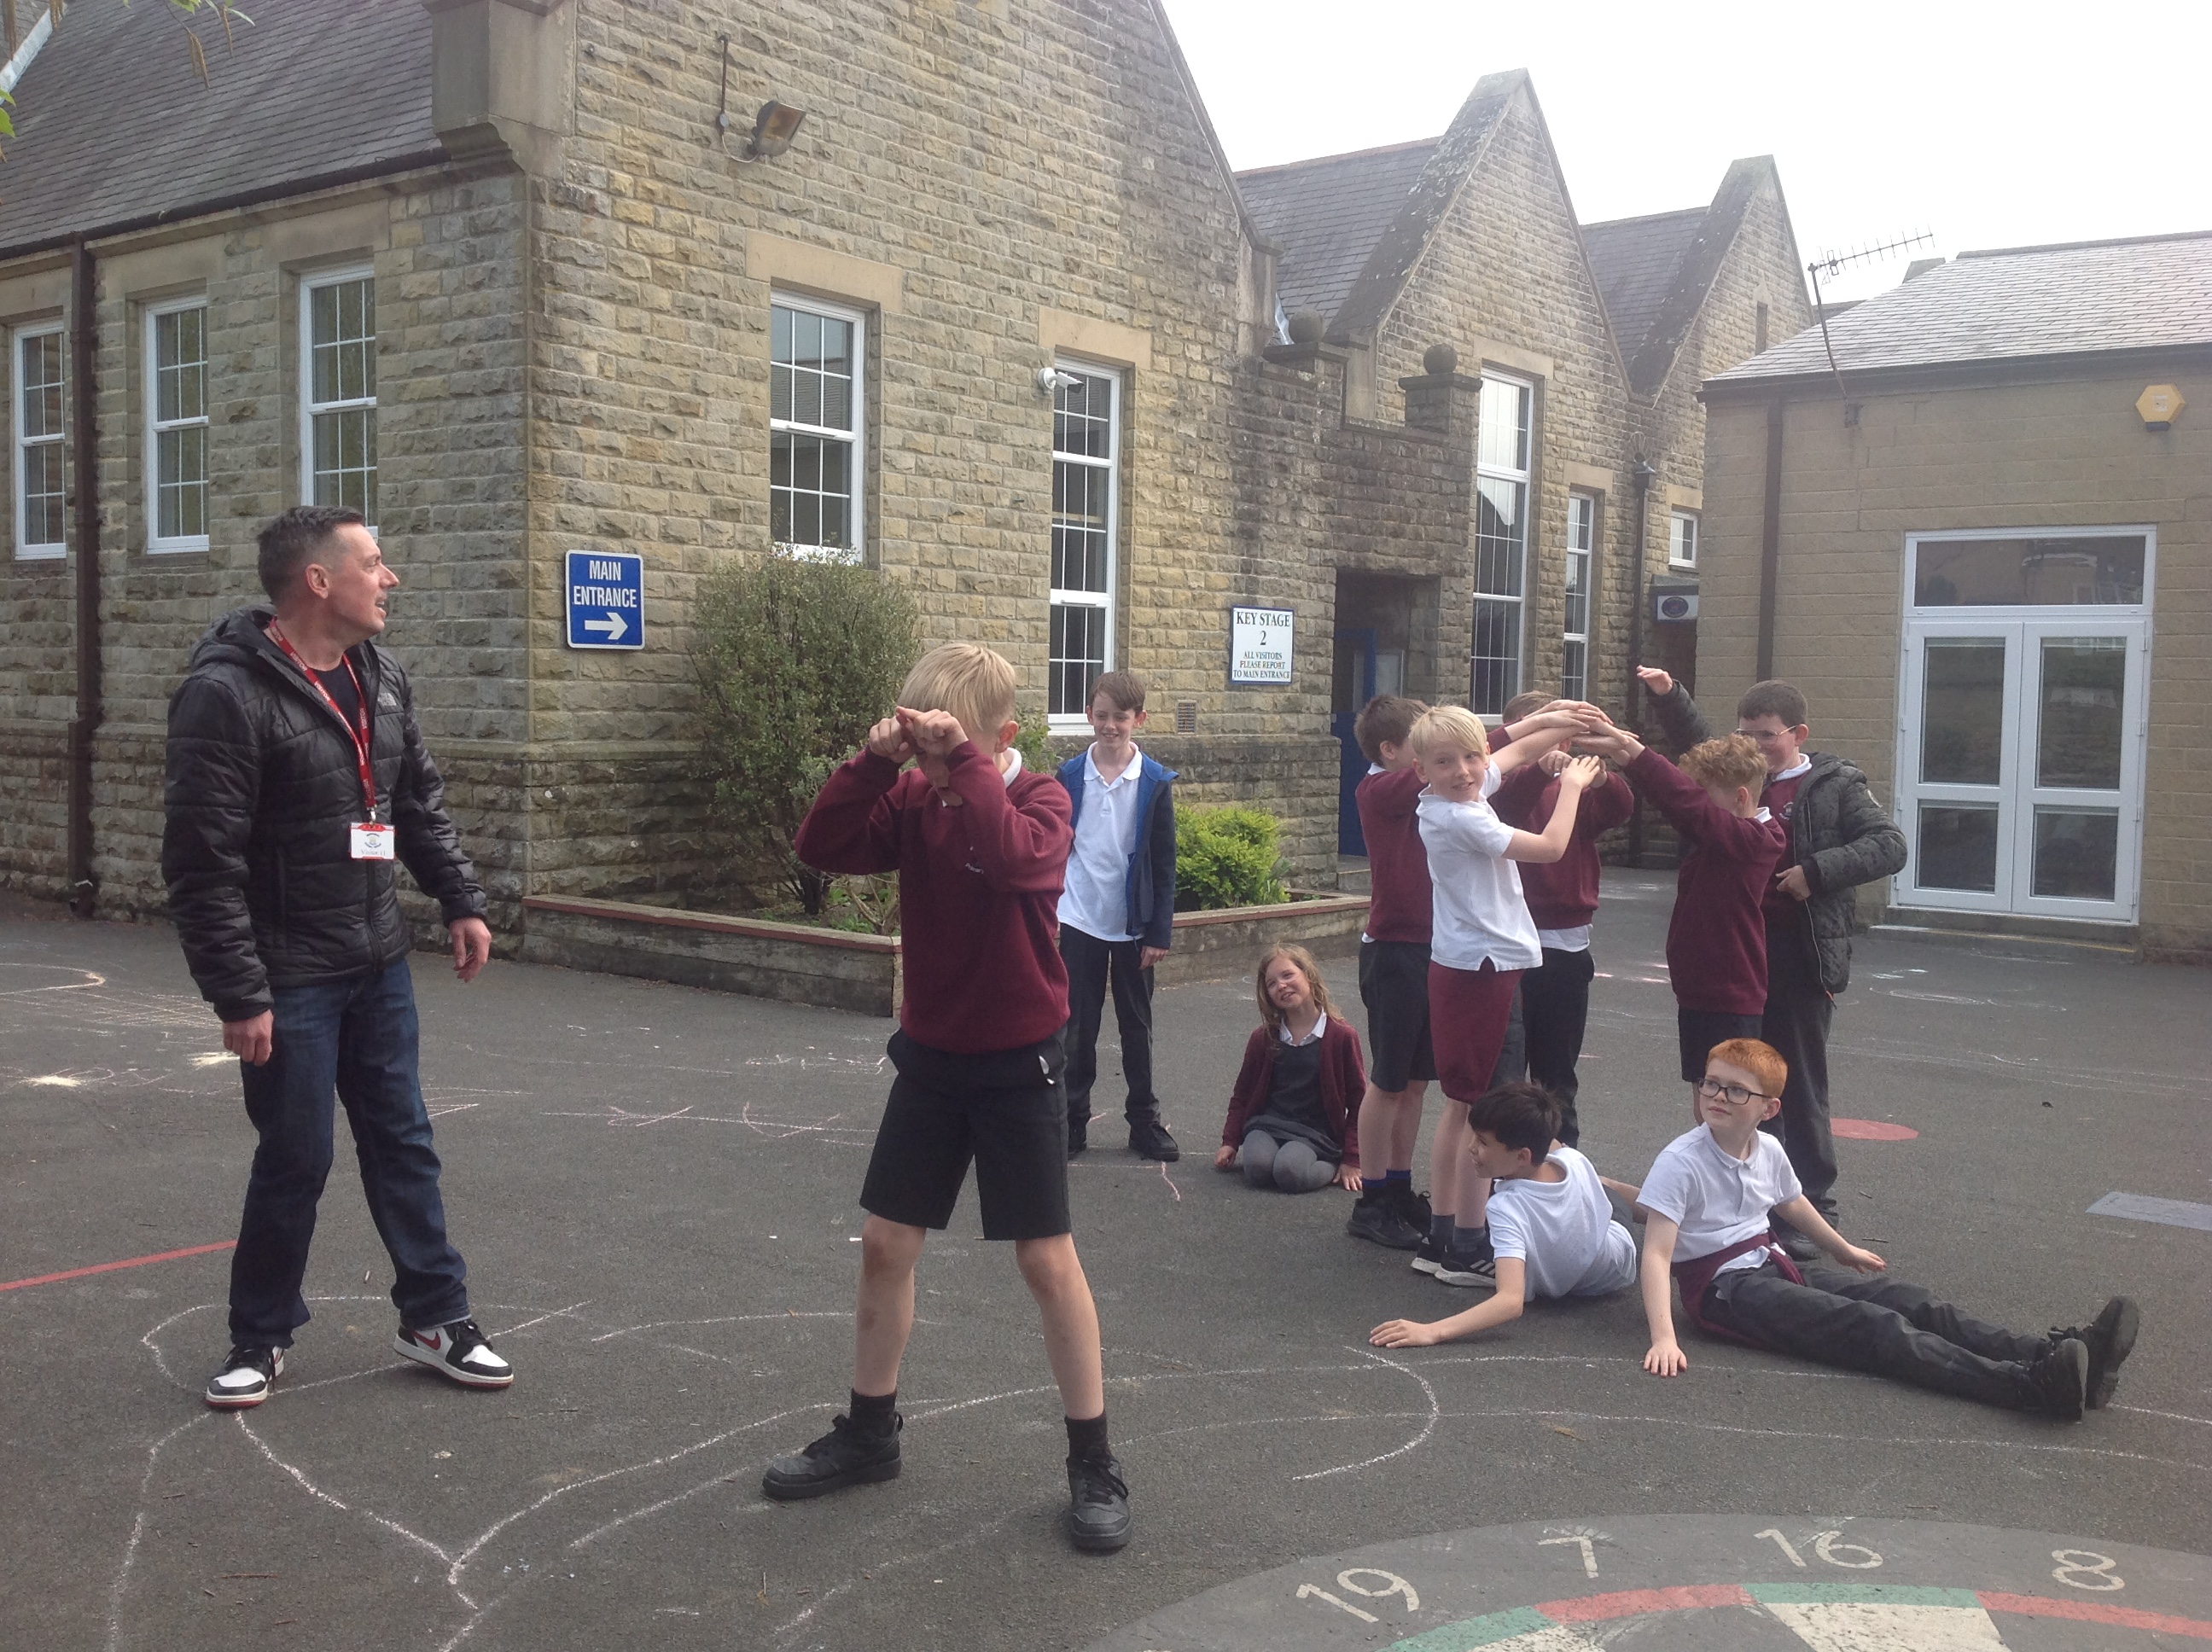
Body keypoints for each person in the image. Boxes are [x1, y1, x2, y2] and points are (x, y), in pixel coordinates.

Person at [765, 643, 1131, 1553]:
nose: (931, 767)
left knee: (1045, 1260)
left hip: (1019, 1060)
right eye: (926, 750)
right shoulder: (913, 798)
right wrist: (874, 763)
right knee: (886, 1243)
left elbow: (1013, 864)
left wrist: (963, 764)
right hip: (933, 1054)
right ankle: (870, 1432)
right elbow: (821, 847)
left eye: (950, 749)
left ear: (1002, 737)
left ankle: (1093, 1460)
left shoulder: (1042, 799)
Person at [162, 505, 511, 1410]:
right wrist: (240, 993)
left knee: (404, 1140)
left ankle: (436, 1317)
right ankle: (260, 1336)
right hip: (289, 975)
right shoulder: (226, 694)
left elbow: (415, 802)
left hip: (377, 960)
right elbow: (203, 864)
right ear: (319, 581)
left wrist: (460, 899)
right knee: (297, 1156)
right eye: (373, 562)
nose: (390, 578)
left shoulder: (380, 675)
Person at [1633, 1038, 2140, 1421]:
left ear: (1769, 1109)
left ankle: (2066, 1357)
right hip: (1725, 1291)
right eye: (1710, 1083)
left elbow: (1790, 1201)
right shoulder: (1682, 1162)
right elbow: (1656, 1254)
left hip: (1771, 1262)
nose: (1717, 1096)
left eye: (1736, 1090)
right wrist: (1664, 1338)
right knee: (1873, 1326)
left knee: (1912, 1301)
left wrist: (1842, 1249)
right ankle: (2031, 1387)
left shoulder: (1767, 1149)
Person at [1639, 669, 1909, 1254]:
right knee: (1735, 1082)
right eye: (1747, 734)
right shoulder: (1738, 776)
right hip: (1737, 954)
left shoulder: (1834, 784)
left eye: (1768, 735)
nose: (1756, 745)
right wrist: (1670, 697)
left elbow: (1889, 845)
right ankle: (1743, 1204)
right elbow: (1699, 749)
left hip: (1796, 954)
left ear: (1798, 734)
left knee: (1796, 1082)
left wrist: (1815, 872)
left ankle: (1811, 1206)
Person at [1412, 704, 1604, 1289]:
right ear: (1422, 770)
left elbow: (1513, 753)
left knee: (1462, 1106)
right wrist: (1572, 784)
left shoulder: (1452, 799)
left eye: (1472, 757)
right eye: (1446, 762)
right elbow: (1549, 846)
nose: (1466, 771)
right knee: (1485, 1111)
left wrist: (1566, 723)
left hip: (1473, 966)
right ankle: (1469, 1245)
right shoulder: (1460, 818)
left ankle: (1444, 1234)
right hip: (1483, 971)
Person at [1575, 726, 1785, 1117]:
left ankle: (1738, 1161)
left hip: (1729, 994)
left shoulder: (1754, 841)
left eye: (1705, 794)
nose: (1697, 805)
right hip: (1702, 991)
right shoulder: (1724, 837)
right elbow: (1681, 806)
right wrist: (1625, 755)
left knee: (1726, 1106)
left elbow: (1687, 805)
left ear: (1741, 798)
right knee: (1706, 1098)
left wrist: (1634, 751)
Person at [1370, 1081, 1637, 1347]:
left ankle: (1658, 1212)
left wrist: (1432, 1331)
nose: (1470, 1147)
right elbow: (1545, 1141)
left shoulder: (1506, 1208)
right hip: (1608, 1266)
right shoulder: (1573, 1160)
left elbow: (1510, 1300)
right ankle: (1654, 1208)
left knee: (1607, 1187)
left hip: (1616, 1245)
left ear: (1522, 1156)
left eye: (1482, 1141)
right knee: (1596, 1181)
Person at [1491, 690, 1638, 1145]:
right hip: (1507, 942)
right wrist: (1537, 769)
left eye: (1551, 737)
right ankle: (1501, 1169)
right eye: (1531, 737)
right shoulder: (1492, 788)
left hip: (1564, 945)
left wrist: (1601, 779)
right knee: (1505, 1073)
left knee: (1556, 1075)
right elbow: (1509, 807)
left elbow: (1619, 809)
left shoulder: (1573, 790)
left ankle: (1563, 1167)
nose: (1543, 749)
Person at [1055, 671, 1179, 1162]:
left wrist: (1158, 931)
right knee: (1077, 1028)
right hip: (1079, 918)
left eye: (1120, 717)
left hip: (1133, 926)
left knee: (1136, 1027)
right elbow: (1054, 848)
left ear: (1138, 720)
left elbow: (1164, 862)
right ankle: (1072, 1122)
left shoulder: (1154, 782)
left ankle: (1143, 1123)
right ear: (1089, 715)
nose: (1110, 726)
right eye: (1102, 715)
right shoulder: (1069, 776)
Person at [1343, 695, 1437, 1249]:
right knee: (1388, 1081)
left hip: (1432, 949)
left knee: (1416, 1083)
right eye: (1423, 746)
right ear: (1390, 750)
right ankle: (1372, 1200)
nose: (1435, 758)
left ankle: (1399, 1188)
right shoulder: (1378, 789)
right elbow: (1479, 754)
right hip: (1394, 953)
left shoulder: (1422, 786)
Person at [1214, 945, 1365, 1193]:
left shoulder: (1341, 1036)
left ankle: (1330, 1162)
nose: (1281, 986)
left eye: (1287, 975)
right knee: (1257, 1168)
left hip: (1315, 1133)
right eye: (1271, 984)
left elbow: (1359, 1101)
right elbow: (1242, 1093)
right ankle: (1276, 1158)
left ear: (1309, 975)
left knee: (1289, 1172)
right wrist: (1230, 1141)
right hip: (1268, 1124)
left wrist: (1351, 1159)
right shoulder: (1264, 1038)